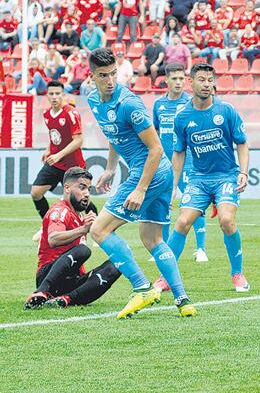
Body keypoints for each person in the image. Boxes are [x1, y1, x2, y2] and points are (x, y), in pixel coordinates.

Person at [85, 48, 196, 319]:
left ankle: (142, 287)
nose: (110, 80)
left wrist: (140, 188)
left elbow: (156, 148)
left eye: (113, 74)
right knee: (152, 238)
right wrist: (110, 168)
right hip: (157, 173)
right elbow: (113, 133)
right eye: (104, 75)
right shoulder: (93, 100)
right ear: (92, 76)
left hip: (151, 171)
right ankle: (183, 300)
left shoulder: (129, 104)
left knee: (98, 230)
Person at [159, 63, 251, 293]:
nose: (207, 84)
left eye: (210, 80)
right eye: (201, 79)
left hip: (226, 177)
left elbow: (242, 143)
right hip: (198, 179)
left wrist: (243, 172)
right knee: (181, 222)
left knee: (227, 221)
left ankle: (237, 273)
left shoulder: (226, 110)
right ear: (192, 83)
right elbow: (178, 152)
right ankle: (166, 278)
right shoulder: (182, 117)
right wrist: (172, 184)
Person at [24, 167, 121, 310]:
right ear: (67, 188)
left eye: (88, 189)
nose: (87, 194)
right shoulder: (60, 211)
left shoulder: (81, 216)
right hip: (49, 276)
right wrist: (83, 230)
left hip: (71, 280)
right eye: (82, 188)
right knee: (83, 251)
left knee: (118, 263)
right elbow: (53, 239)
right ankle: (41, 292)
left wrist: (100, 228)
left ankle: (65, 300)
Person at [152, 64, 208, 262]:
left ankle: (201, 248)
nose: (178, 82)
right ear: (166, 80)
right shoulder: (158, 105)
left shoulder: (191, 103)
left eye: (181, 79)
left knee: (194, 203)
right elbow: (155, 134)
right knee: (164, 204)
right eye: (174, 79)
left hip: (190, 162)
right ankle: (164, 249)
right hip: (166, 164)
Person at [30, 82, 96, 242]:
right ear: (47, 96)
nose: (54, 97)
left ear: (63, 96)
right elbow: (54, 135)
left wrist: (58, 154)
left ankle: (97, 228)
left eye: (57, 94)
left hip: (73, 165)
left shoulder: (71, 113)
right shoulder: (46, 114)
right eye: (51, 94)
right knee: (36, 192)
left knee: (81, 199)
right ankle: (47, 225)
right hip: (56, 162)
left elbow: (78, 140)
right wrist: (48, 149)